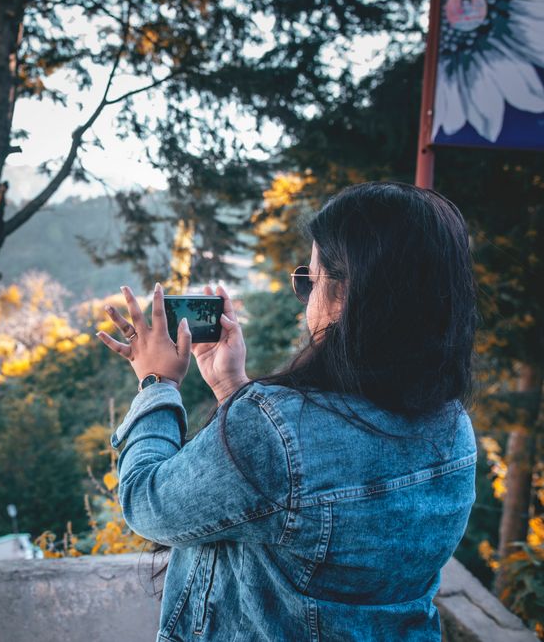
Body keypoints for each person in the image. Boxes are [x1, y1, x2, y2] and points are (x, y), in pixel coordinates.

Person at [96, 181, 478, 641]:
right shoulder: (453, 427)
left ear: (343, 297)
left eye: (308, 280)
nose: (306, 299)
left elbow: (145, 502)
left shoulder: (277, 432)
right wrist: (231, 388)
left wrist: (157, 384)